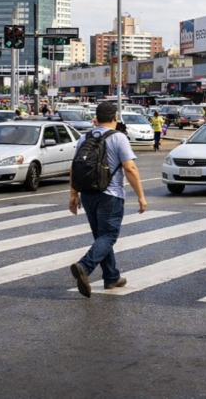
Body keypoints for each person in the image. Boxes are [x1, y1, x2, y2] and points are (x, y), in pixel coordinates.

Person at [68, 101, 147, 297]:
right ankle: (84, 266)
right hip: (110, 195)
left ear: (96, 117)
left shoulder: (84, 137)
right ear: (115, 117)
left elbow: (74, 168)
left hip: (87, 194)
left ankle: (111, 277)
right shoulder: (118, 138)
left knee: (101, 237)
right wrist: (141, 196)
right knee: (108, 236)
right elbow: (129, 168)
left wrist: (73, 194)